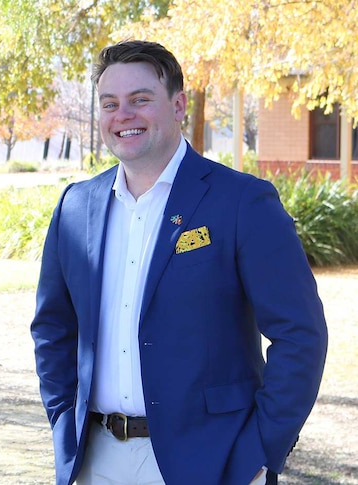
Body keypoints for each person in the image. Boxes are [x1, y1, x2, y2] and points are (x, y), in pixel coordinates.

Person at [30, 40, 327, 485]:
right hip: (94, 460)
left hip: (212, 460)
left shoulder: (242, 202)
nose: (123, 115)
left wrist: (262, 448)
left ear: (178, 105)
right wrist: (61, 421)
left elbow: (300, 335)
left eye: (140, 100)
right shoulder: (76, 206)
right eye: (110, 104)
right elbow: (52, 328)